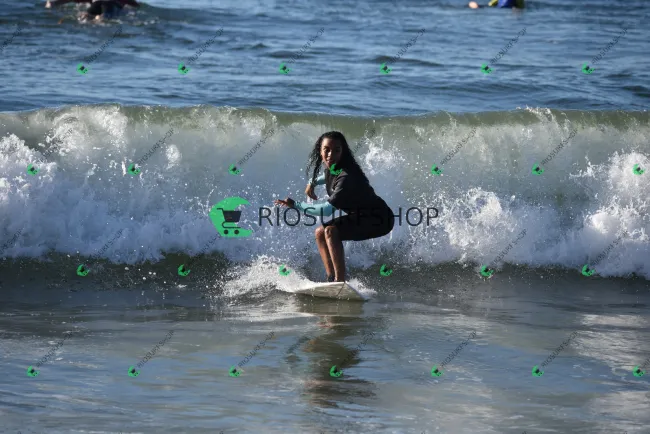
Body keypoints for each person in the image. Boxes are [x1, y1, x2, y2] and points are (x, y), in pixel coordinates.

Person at [274, 131, 395, 283]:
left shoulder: (346, 177)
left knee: (330, 231)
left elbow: (326, 210)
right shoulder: (335, 168)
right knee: (320, 233)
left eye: (337, 150)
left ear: (342, 152)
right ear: (320, 150)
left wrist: (296, 205)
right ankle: (331, 278)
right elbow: (326, 177)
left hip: (380, 219)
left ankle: (340, 280)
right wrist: (311, 182)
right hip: (359, 216)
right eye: (327, 150)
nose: (331, 154)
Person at [46, 0, 139, 20]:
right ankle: (99, 18)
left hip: (96, 4)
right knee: (103, 19)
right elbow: (137, 6)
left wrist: (52, 3)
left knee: (86, 17)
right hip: (110, 5)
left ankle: (89, 16)